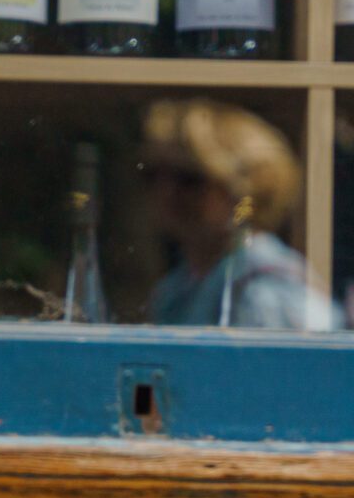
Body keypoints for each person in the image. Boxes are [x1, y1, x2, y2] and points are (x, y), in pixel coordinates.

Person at [138, 98, 336, 331]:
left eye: (189, 179)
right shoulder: (177, 288)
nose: (166, 192)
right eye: (153, 175)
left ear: (244, 190)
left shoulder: (265, 288)